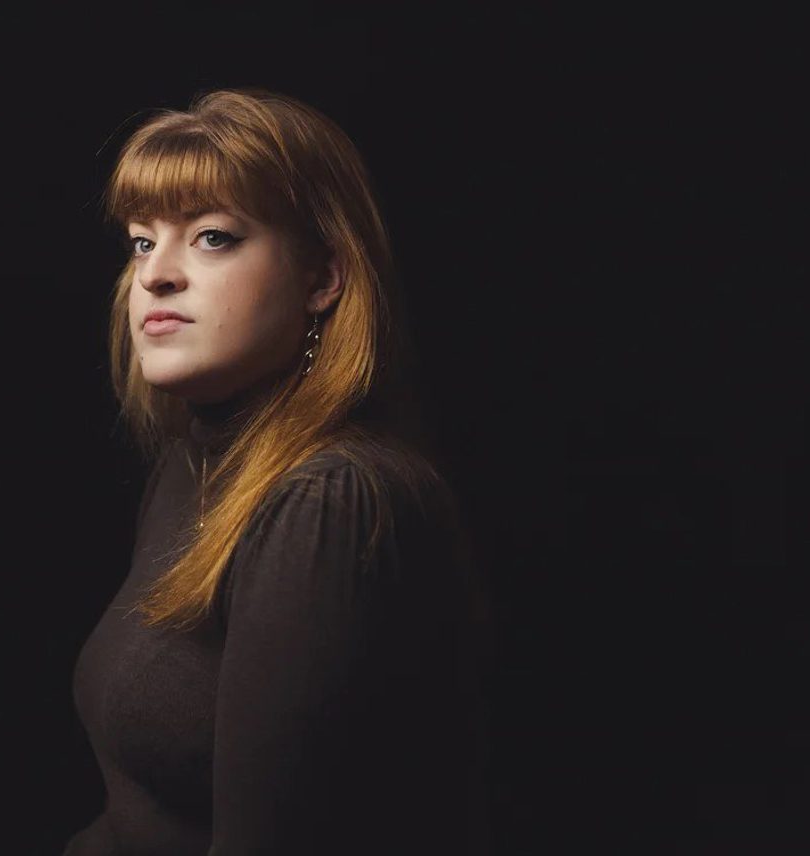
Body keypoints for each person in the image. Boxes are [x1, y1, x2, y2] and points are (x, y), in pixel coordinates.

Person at [64, 88, 493, 855]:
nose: (156, 275)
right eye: (140, 241)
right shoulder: (191, 468)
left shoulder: (332, 502)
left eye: (213, 237)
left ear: (323, 277)